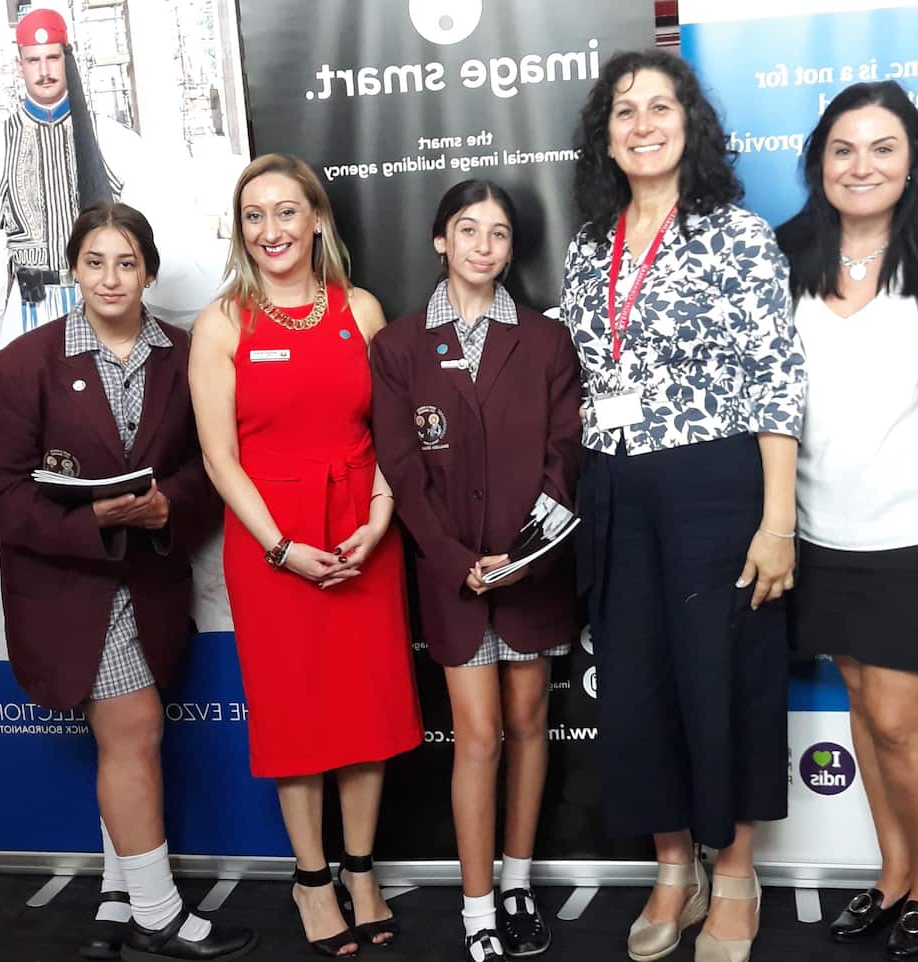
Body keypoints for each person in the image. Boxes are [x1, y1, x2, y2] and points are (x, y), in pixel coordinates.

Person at [559, 49, 806, 962]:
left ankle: (734, 872)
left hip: (715, 485)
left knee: (722, 678)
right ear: (607, 138)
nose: (642, 123)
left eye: (660, 106)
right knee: (638, 682)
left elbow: (777, 380)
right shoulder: (590, 245)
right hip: (616, 486)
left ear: (688, 123)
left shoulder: (736, 235)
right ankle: (673, 867)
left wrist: (776, 521)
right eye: (623, 111)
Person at [0, 202, 255, 962]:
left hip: (151, 579)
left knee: (122, 741)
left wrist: (170, 506)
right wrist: (91, 519)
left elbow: (210, 463)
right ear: (72, 269)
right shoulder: (20, 366)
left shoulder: (185, 356)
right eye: (95, 261)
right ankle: (158, 915)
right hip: (68, 588)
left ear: (149, 272)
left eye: (127, 262)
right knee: (133, 733)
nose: (111, 277)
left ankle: (118, 893)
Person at [775, 80, 918, 959]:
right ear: (819, 161)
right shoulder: (787, 253)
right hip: (820, 530)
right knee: (864, 711)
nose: (861, 166)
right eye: (843, 149)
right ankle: (891, 871)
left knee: (904, 722)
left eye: (883, 148)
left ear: (914, 162)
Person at [189, 153, 423, 958]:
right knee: (299, 716)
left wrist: (383, 516)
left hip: (362, 531)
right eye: (254, 216)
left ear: (316, 218)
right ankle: (313, 876)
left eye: (286, 212)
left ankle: (362, 869)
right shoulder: (223, 323)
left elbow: (394, 431)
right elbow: (220, 459)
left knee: (365, 711)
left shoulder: (359, 310)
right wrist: (282, 548)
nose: (270, 230)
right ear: (240, 230)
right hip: (273, 542)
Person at [369, 180, 582, 962]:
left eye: (497, 233)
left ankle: (519, 880)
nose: (482, 246)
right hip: (451, 579)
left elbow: (566, 458)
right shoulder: (396, 347)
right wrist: (458, 562)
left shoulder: (546, 341)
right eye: (467, 230)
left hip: (533, 570)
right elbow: (400, 463)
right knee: (480, 737)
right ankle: (477, 904)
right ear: (440, 241)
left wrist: (523, 554)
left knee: (529, 728)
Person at [0, 7, 219, 353]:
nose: (45, 71)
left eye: (52, 58)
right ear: (20, 66)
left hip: (100, 295)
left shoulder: (108, 137)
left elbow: (160, 214)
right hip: (32, 299)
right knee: (33, 392)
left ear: (68, 59)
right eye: (34, 61)